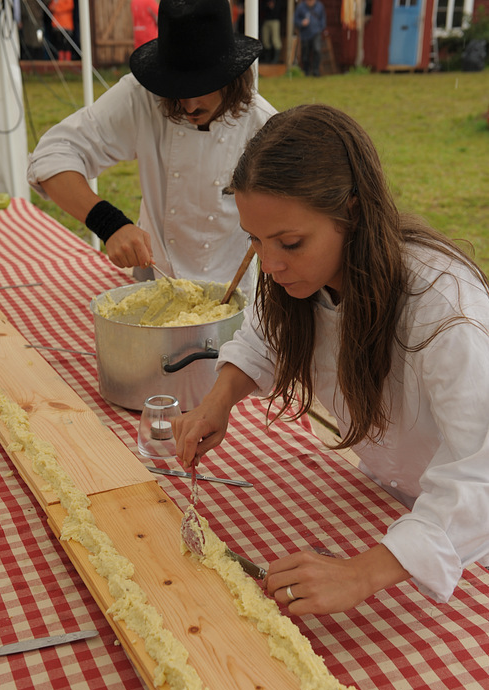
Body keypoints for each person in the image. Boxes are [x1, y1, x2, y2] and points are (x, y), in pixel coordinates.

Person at [173, 104, 489, 617]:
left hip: (467, 536)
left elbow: (481, 474)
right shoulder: (303, 280)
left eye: (291, 243)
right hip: (389, 501)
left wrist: (364, 572)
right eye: (254, 240)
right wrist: (219, 399)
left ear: (353, 211)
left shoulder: (444, 311)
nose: (270, 265)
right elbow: (263, 338)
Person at [27, 0, 276, 296]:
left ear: (231, 77)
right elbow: (51, 155)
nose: (189, 104)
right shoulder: (142, 98)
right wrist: (109, 223)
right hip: (154, 280)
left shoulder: (263, 125)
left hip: (231, 293)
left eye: (203, 86)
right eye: (177, 87)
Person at [294, 0, 326, 77]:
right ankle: (306, 71)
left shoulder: (319, 6)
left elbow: (323, 19)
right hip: (305, 34)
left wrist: (320, 28)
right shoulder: (301, 7)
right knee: (305, 53)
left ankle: (315, 71)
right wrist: (301, 23)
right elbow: (295, 20)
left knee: (317, 50)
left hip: (316, 33)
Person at [260, 0, 283, 64]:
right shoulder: (264, 2)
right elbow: (262, 9)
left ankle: (276, 59)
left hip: (275, 20)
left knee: (275, 39)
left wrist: (272, 7)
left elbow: (280, 9)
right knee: (265, 40)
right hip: (266, 20)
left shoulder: (278, 2)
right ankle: (267, 58)